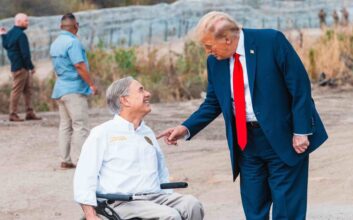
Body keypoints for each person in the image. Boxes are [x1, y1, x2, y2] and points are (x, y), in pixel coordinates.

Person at [158, 11, 328, 220]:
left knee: (286, 210)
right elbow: (213, 102)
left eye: (209, 46)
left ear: (227, 39)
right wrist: (186, 128)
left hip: (284, 138)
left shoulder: (271, 41)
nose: (208, 52)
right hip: (246, 143)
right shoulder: (215, 62)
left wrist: (301, 130)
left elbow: (299, 87)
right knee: (254, 209)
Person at [74, 77, 204, 220]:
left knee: (192, 205)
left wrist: (168, 197)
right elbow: (84, 177)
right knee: (170, 216)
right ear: (125, 100)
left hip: (154, 197)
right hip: (123, 202)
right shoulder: (102, 133)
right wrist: (90, 215)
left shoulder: (147, 132)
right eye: (141, 90)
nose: (148, 94)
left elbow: (161, 172)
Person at [50, 13, 97, 169]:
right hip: (74, 89)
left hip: (60, 89)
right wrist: (91, 84)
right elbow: (79, 65)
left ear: (61, 26)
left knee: (65, 125)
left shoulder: (56, 43)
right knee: (80, 125)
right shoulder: (73, 42)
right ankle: (82, 160)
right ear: (76, 26)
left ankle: (66, 159)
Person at [1, 13, 41, 122]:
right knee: (16, 91)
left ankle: (29, 112)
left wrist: (3, 35)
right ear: (19, 21)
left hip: (17, 66)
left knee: (28, 90)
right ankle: (13, 114)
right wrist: (31, 67)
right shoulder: (21, 35)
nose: (27, 23)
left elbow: (6, 45)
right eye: (26, 21)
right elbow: (25, 54)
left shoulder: (9, 33)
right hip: (21, 67)